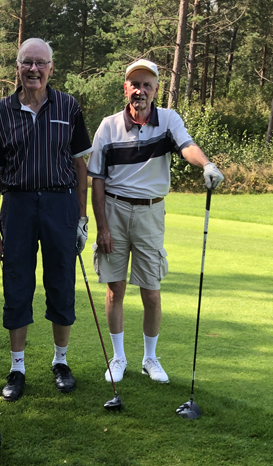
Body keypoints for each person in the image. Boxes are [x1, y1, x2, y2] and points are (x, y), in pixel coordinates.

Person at [87, 59, 224, 384]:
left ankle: (150, 358)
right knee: (115, 289)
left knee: (151, 291)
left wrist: (206, 164)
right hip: (114, 211)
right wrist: (102, 227)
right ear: (126, 88)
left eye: (147, 85)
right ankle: (119, 357)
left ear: (156, 89)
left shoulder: (168, 120)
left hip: (150, 213)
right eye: (135, 84)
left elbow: (187, 146)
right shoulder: (108, 126)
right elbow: (97, 180)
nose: (140, 91)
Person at [0, 38, 92, 402]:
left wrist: (82, 217)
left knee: (61, 282)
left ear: (51, 68)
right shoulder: (1, 112)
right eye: (27, 62)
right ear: (17, 67)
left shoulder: (69, 106)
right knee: (17, 285)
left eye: (40, 63)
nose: (33, 69)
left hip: (60, 204)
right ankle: (17, 367)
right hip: (18, 204)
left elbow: (80, 166)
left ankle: (61, 361)